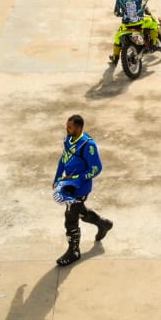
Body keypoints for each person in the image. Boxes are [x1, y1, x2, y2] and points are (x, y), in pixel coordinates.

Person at [52, 114, 112, 267]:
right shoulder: (68, 140)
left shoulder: (88, 146)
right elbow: (64, 158)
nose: (67, 129)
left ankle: (74, 251)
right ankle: (102, 224)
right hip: (68, 185)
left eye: (70, 127)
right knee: (80, 212)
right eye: (67, 126)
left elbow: (96, 169)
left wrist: (77, 178)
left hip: (80, 188)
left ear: (79, 128)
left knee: (70, 218)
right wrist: (58, 176)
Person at [109, 0, 159, 64]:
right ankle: (154, 44)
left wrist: (124, 14)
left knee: (117, 37)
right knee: (153, 23)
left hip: (127, 25)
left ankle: (115, 58)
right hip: (139, 23)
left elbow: (116, 13)